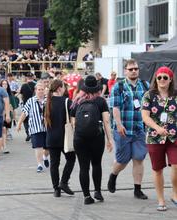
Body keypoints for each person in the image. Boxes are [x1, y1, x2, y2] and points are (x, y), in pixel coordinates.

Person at [108, 59, 149, 199]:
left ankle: (137, 189)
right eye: (130, 69)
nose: (133, 71)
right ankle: (113, 175)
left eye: (135, 69)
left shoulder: (145, 85)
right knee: (123, 160)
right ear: (125, 70)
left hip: (139, 129)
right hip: (123, 130)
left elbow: (150, 106)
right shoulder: (118, 86)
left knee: (139, 158)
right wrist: (119, 124)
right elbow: (115, 107)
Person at [71, 75, 113, 204]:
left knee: (83, 167)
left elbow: (73, 122)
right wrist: (109, 139)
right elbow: (106, 121)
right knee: (96, 164)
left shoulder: (76, 100)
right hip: (96, 137)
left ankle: (86, 196)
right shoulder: (100, 101)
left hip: (80, 138)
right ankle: (98, 192)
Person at [141, 66, 177, 211]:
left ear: (170, 79)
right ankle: (161, 199)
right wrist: (157, 128)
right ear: (155, 79)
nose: (162, 80)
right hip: (154, 138)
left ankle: (175, 193)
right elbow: (145, 116)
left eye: (165, 77)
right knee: (158, 169)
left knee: (176, 165)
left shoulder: (175, 95)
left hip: (174, 137)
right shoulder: (149, 95)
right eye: (159, 77)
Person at [44, 79, 76, 197]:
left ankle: (56, 189)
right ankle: (64, 182)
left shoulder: (47, 102)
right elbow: (73, 118)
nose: (65, 89)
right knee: (71, 159)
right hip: (64, 137)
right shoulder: (67, 101)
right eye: (63, 87)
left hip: (51, 137)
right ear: (59, 89)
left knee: (54, 164)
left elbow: (45, 121)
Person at [17, 82, 49, 173]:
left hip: (47, 128)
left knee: (48, 148)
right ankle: (39, 164)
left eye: (42, 89)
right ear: (35, 90)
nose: (40, 91)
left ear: (45, 90)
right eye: (39, 89)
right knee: (38, 146)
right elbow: (24, 112)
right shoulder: (30, 101)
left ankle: (45, 157)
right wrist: (19, 123)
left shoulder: (49, 100)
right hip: (35, 127)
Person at [19, 72, 36, 141]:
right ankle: (32, 134)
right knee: (33, 119)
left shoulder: (24, 86)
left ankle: (28, 133)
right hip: (34, 104)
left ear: (26, 78)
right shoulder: (36, 85)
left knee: (25, 120)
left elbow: (21, 94)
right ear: (32, 77)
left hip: (26, 104)